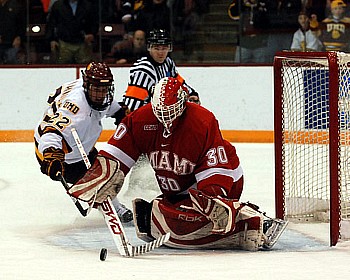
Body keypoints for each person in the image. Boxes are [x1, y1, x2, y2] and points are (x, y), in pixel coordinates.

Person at [68, 77, 287, 250]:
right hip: (177, 194)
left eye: (171, 113)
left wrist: (211, 198)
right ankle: (180, 216)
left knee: (181, 228)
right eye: (161, 113)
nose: (166, 120)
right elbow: (115, 155)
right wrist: (102, 175)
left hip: (222, 179)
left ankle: (251, 223)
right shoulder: (140, 120)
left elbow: (217, 164)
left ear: (183, 103)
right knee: (164, 222)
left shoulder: (201, 121)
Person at [34, 62, 133, 223]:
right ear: (87, 86)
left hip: (80, 144)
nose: (101, 94)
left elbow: (110, 107)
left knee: (102, 172)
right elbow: (51, 132)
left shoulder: (93, 90)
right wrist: (52, 156)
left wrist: (121, 114)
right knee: (97, 181)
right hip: (59, 153)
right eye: (97, 90)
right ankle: (115, 208)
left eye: (104, 89)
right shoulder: (77, 109)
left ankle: (112, 204)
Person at [122, 28, 200, 112]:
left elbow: (178, 83)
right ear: (149, 48)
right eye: (156, 48)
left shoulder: (168, 63)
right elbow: (132, 105)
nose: (160, 52)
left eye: (164, 48)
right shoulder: (143, 71)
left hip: (162, 113)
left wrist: (191, 94)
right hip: (145, 117)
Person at [0, 0, 26, 64]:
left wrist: (19, 37)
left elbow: (22, 24)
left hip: (12, 43)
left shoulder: (16, 5)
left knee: (12, 61)